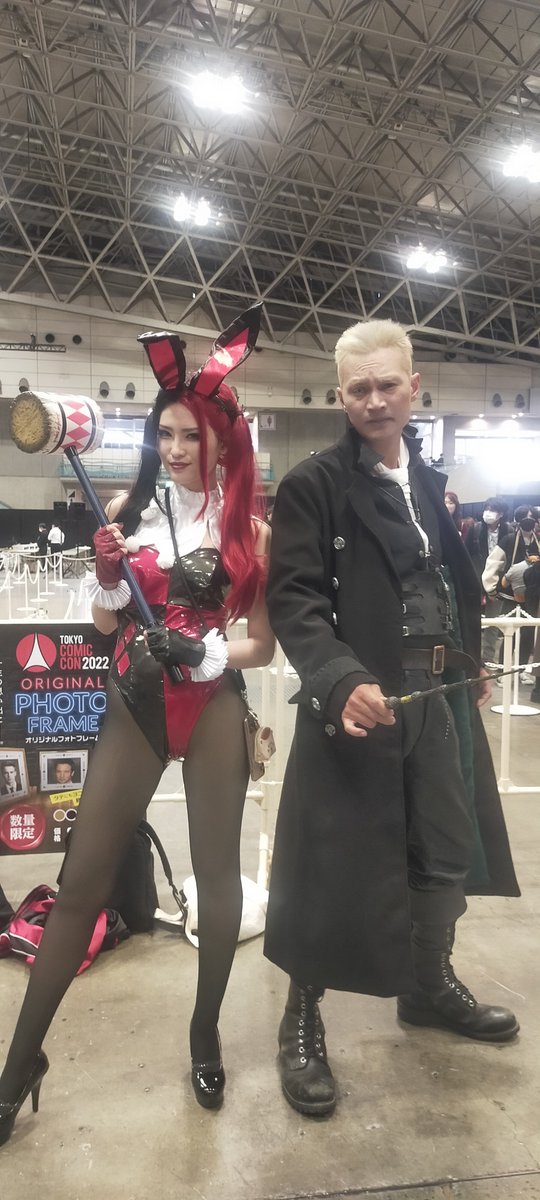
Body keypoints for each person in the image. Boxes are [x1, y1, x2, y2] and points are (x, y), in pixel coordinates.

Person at [0, 305, 274, 1145]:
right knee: (81, 881)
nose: (177, 447)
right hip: (133, 703)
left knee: (217, 884)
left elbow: (262, 644)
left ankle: (204, 1032)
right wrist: (110, 574)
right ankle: (18, 1067)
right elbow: (104, 624)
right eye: (167, 433)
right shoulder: (128, 506)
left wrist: (209, 652)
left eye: (193, 435)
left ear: (224, 441)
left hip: (212, 707)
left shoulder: (253, 529)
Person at [264, 317, 520, 1118]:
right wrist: (338, 679)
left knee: (444, 846)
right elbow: (295, 599)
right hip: (360, 704)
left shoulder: (427, 479)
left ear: (415, 387)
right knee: (332, 864)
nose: (374, 400)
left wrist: (470, 661)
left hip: (436, 700)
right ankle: (301, 1020)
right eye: (359, 389)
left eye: (387, 385)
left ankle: (427, 984)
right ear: (340, 396)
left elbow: (450, 583)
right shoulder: (314, 484)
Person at [482, 506, 540, 674]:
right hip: (510, 597)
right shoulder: (508, 540)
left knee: (528, 634)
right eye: (525, 518)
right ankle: (504, 671)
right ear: (518, 520)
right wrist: (491, 588)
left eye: (532, 518)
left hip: (532, 596)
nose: (529, 522)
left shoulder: (538, 542)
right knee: (510, 633)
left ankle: (522, 670)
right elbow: (493, 563)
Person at [464, 498, 511, 666]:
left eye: (493, 510)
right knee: (472, 618)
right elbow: (466, 553)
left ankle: (488, 657)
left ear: (501, 514)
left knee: (493, 620)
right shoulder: (476, 529)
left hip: (497, 580)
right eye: (486, 509)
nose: (488, 513)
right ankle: (472, 655)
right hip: (476, 578)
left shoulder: (508, 530)